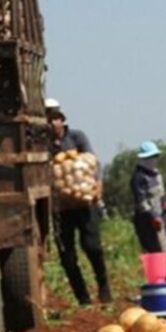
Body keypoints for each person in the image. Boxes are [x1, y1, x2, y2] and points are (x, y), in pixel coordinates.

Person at [47, 100, 111, 304]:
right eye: (48, 119)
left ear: (62, 120)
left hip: (84, 204)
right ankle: (82, 297)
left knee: (92, 247)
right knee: (67, 255)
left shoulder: (77, 137)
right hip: (61, 208)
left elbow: (93, 163)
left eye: (55, 118)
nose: (52, 123)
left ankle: (104, 286)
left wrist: (98, 185)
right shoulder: (42, 143)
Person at [131, 140, 166, 281]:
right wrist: (152, 216)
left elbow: (160, 194)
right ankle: (164, 280)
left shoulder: (156, 174)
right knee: (159, 250)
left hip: (163, 216)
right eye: (149, 157)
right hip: (148, 220)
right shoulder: (139, 177)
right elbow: (141, 201)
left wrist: (165, 205)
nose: (153, 160)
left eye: (155, 156)